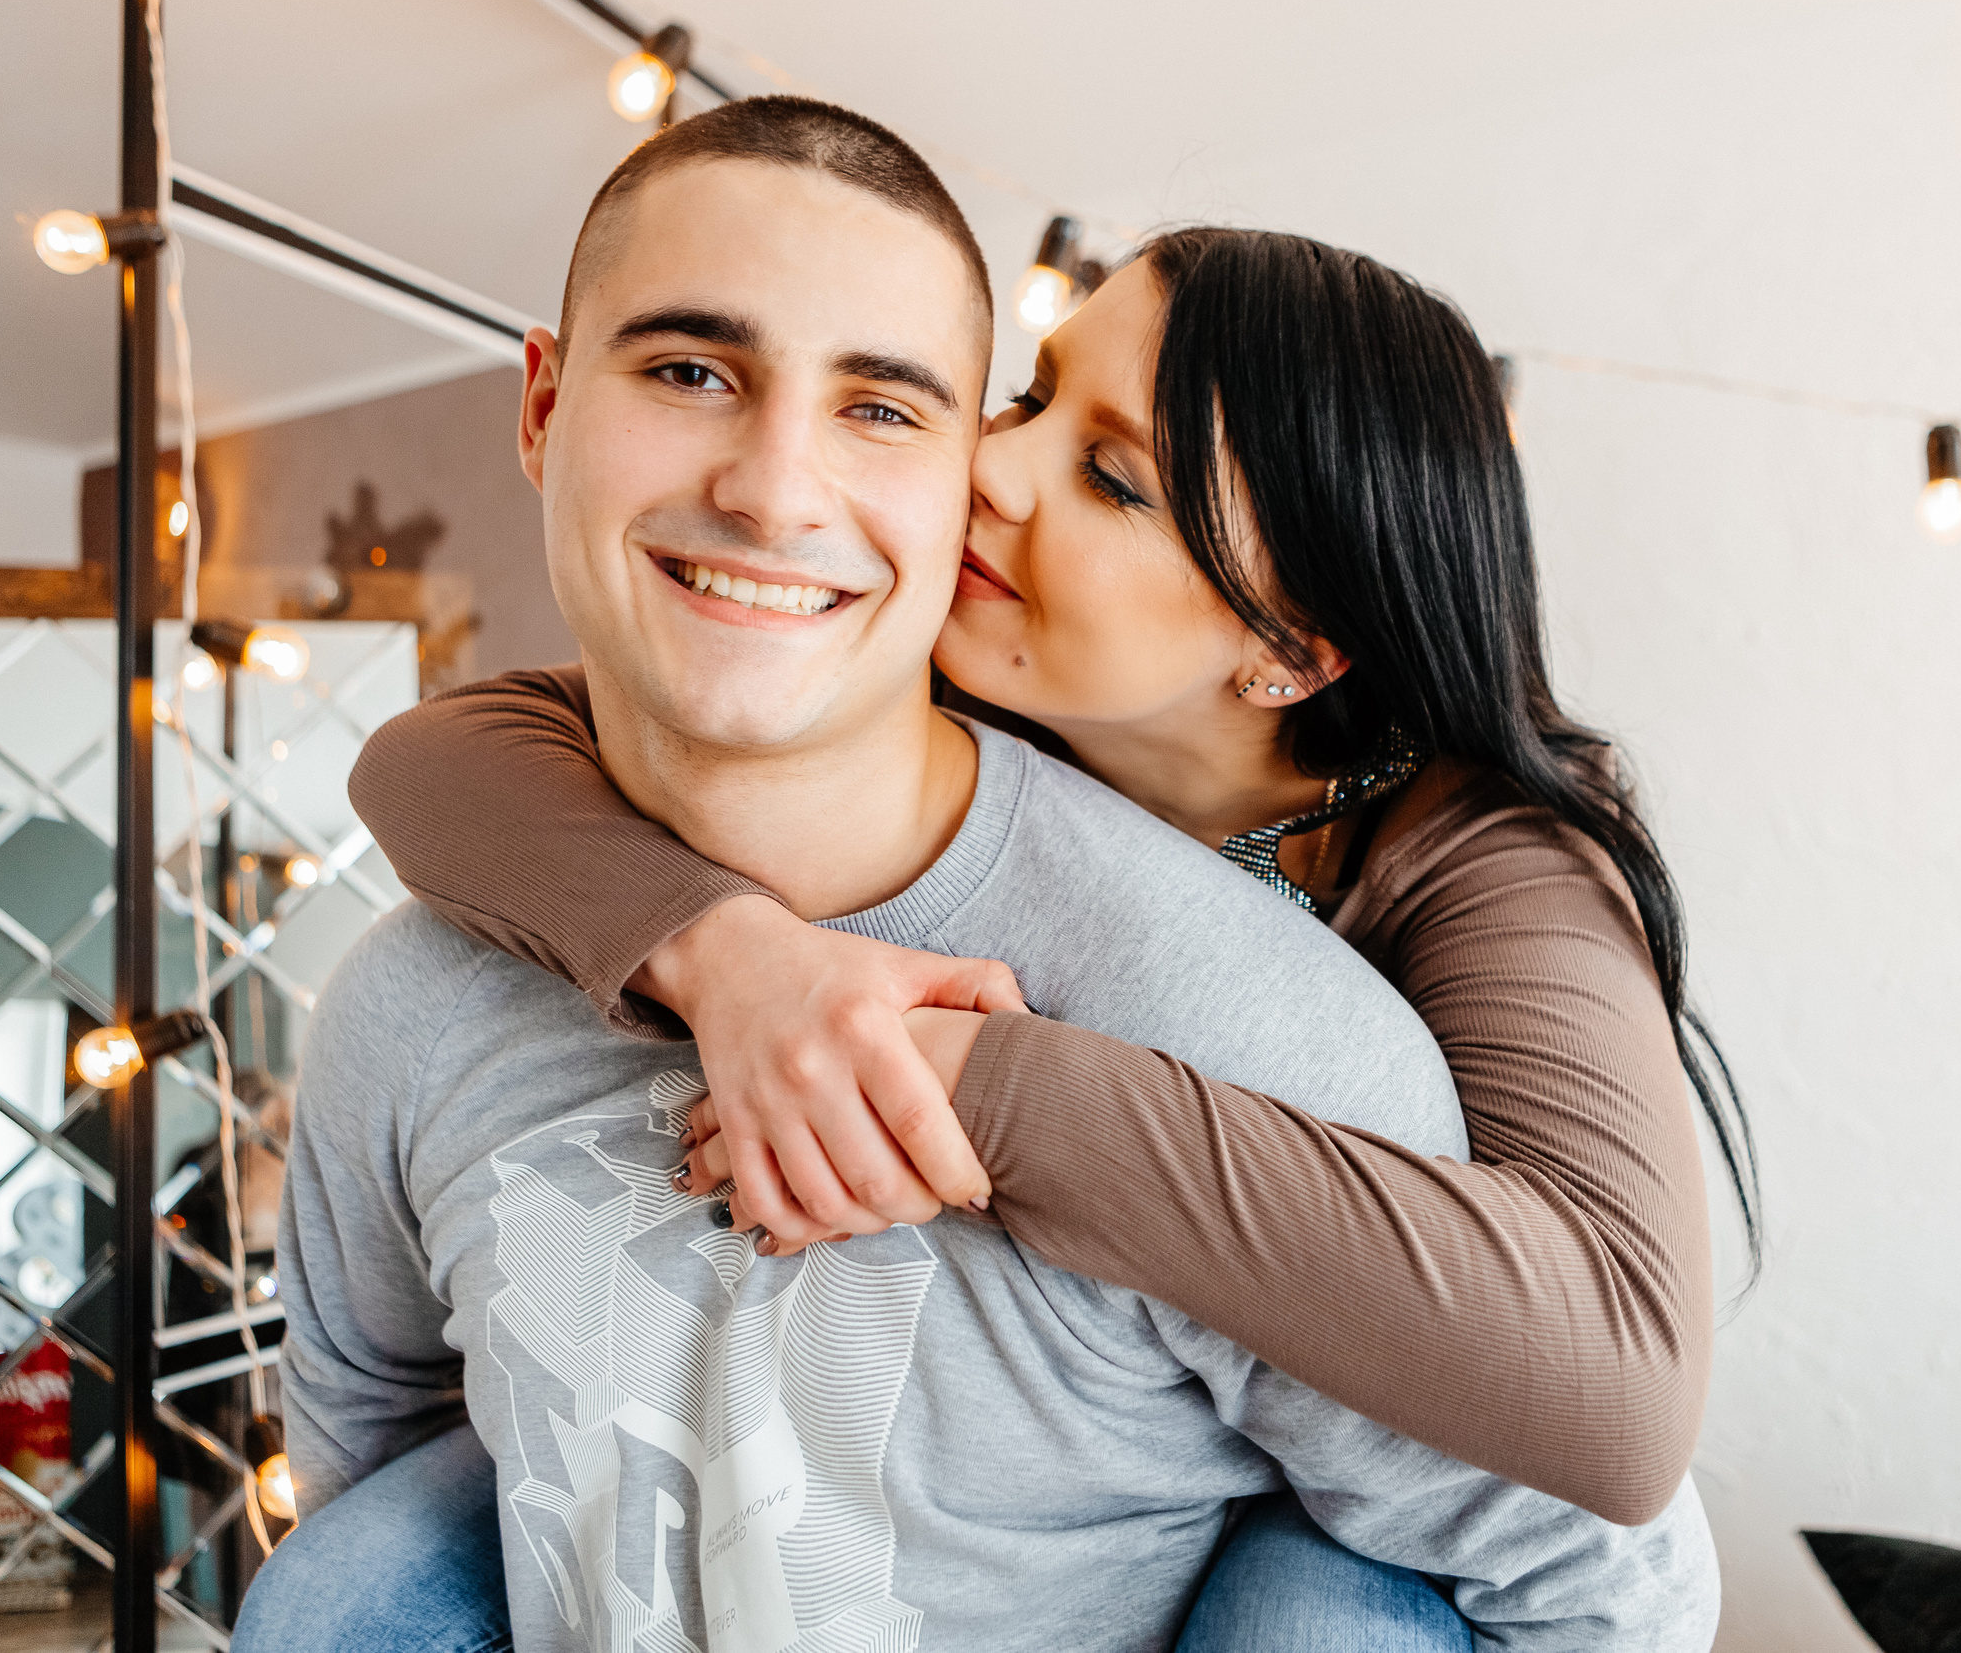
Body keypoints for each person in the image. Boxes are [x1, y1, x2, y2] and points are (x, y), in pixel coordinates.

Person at [240, 95, 1715, 1653]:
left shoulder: (1479, 870)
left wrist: (942, 1071)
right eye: (1021, 401)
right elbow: (432, 760)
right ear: (542, 407)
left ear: (1285, 653)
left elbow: (1609, 1408)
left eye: (1116, 482)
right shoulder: (929, 670)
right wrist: (739, 963)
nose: (991, 473)